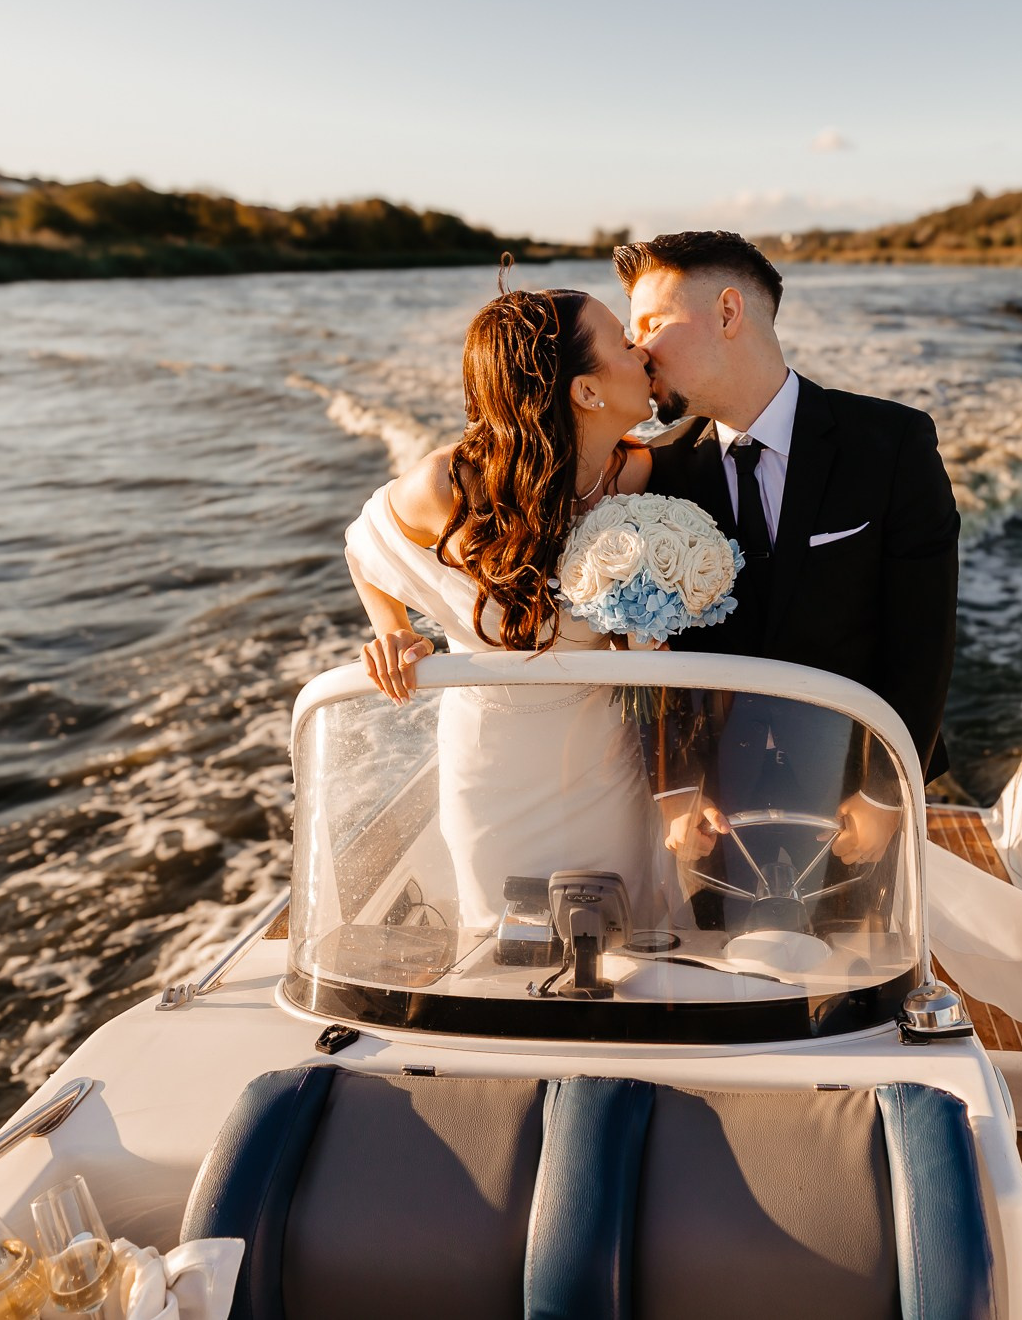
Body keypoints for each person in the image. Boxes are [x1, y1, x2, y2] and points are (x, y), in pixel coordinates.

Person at [618, 231, 961, 872]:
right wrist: (673, 790)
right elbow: (649, 653)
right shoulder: (656, 473)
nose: (637, 352)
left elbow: (925, 635)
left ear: (728, 313)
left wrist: (887, 793)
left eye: (652, 324)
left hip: (853, 793)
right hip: (714, 813)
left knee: (865, 970)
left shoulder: (891, 446)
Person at [342, 279, 658, 926]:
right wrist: (392, 628)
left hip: (606, 768)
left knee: (626, 940)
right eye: (625, 343)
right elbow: (362, 546)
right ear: (587, 390)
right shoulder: (448, 484)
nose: (644, 352)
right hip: (492, 772)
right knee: (503, 947)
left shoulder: (638, 475)